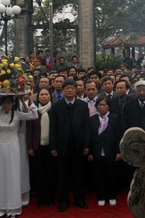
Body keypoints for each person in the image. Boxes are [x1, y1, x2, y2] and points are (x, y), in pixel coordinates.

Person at [48, 79, 90, 213]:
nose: (70, 90)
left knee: (79, 175)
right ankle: (63, 201)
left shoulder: (83, 106)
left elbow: (87, 127)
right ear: (63, 90)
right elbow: (52, 128)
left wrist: (86, 144)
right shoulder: (56, 106)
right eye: (67, 88)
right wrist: (53, 147)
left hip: (78, 146)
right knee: (62, 176)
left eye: (72, 88)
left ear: (76, 89)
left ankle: (79, 199)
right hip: (62, 147)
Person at [85, 97, 121, 207]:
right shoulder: (92, 119)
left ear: (108, 106)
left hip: (111, 152)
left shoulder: (115, 118)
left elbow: (119, 136)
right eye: (100, 105)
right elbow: (89, 137)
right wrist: (90, 152)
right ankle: (100, 196)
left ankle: (111, 196)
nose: (102, 107)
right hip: (97, 152)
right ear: (96, 107)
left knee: (112, 175)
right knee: (98, 175)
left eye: (104, 105)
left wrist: (118, 152)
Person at [26, 88, 55, 207]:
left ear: (50, 96)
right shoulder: (34, 110)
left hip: (51, 147)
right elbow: (29, 130)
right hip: (37, 146)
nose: (44, 96)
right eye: (42, 94)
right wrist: (30, 147)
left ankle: (51, 198)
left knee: (51, 173)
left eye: (46, 94)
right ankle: (40, 199)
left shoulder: (55, 109)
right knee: (39, 174)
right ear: (38, 97)